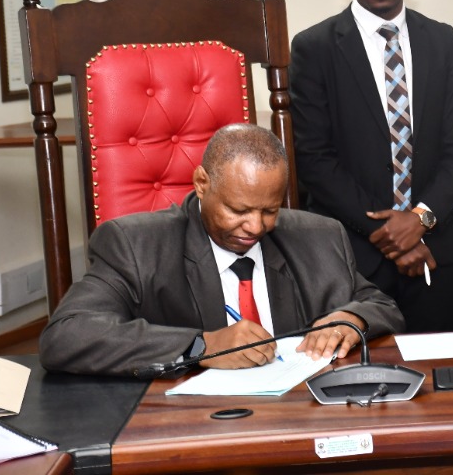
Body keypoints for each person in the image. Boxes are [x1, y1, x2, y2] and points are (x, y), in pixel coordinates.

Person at [39, 124, 404, 377]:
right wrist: (202, 346)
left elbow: (381, 305)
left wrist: (351, 319)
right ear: (202, 183)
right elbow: (67, 336)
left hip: (301, 417)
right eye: (239, 210)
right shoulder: (135, 245)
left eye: (270, 210)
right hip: (192, 427)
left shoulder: (319, 236)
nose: (256, 227)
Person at [290, 0, 453, 333]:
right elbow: (314, 160)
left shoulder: (442, 41)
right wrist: (392, 234)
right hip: (351, 254)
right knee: (351, 368)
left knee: (440, 370)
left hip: (433, 248)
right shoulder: (314, 48)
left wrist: (419, 220)